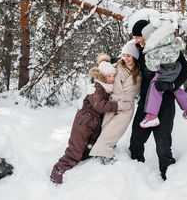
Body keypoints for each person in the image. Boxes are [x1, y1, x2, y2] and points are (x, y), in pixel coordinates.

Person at [50, 54, 132, 184]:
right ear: (102, 77)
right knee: (75, 150)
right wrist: (118, 106)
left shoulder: (106, 87)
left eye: (113, 76)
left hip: (95, 121)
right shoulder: (98, 87)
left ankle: (80, 170)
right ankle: (57, 172)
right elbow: (99, 105)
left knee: (89, 149)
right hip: (85, 120)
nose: (111, 79)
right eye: (108, 77)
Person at [129, 19, 187, 181]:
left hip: (166, 101)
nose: (136, 40)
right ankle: (134, 171)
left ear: (146, 34)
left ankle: (168, 173)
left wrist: (172, 85)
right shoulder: (138, 48)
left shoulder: (168, 48)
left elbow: (185, 69)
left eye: (138, 37)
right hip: (146, 101)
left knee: (163, 141)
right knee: (136, 138)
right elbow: (126, 60)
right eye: (134, 37)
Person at [89, 40, 141, 164]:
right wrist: (95, 79)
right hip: (113, 101)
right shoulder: (116, 66)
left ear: (134, 56)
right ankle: (104, 149)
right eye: (124, 55)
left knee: (116, 129)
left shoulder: (138, 73)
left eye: (128, 56)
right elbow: (103, 73)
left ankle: (104, 151)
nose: (125, 58)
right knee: (106, 127)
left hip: (126, 105)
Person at [139, 22, 187, 128]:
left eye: (146, 38)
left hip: (166, 70)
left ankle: (152, 116)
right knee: (176, 89)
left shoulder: (155, 50)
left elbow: (153, 67)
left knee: (155, 87)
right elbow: (179, 48)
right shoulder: (172, 42)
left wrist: (147, 59)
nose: (144, 41)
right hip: (176, 68)